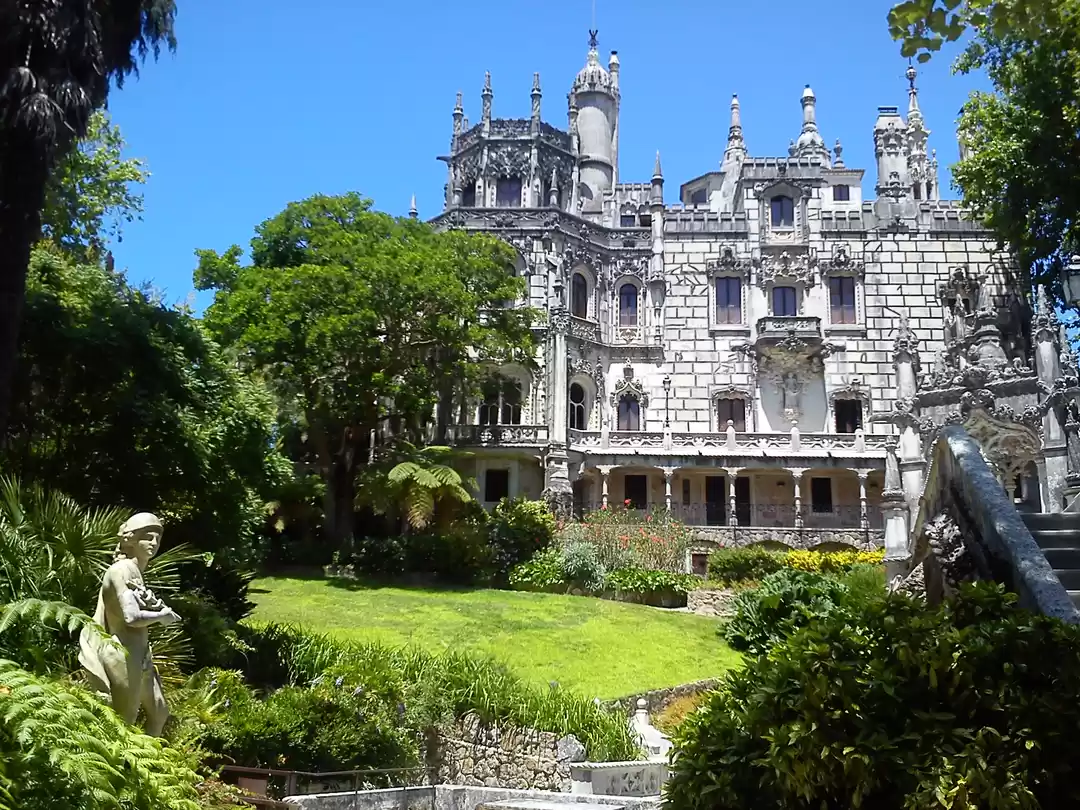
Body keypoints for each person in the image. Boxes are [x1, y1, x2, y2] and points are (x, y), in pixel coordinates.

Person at [78, 512, 181, 736]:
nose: (154, 543)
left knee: (160, 712)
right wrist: (162, 616)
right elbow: (131, 618)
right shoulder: (121, 571)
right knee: (124, 722)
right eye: (147, 538)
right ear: (132, 539)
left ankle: (147, 763)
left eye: (157, 538)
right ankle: (121, 767)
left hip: (140, 652)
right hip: (122, 653)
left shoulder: (135, 572)